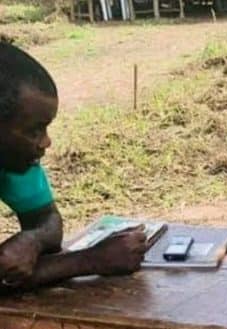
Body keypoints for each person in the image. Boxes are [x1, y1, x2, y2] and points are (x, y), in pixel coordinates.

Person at [0, 41, 146, 293]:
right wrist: (89, 260)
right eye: (34, 130)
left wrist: (32, 240)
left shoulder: (14, 162)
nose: (46, 142)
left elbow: (48, 221)